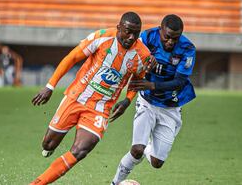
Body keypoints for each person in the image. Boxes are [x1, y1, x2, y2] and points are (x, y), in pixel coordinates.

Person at [30, 12, 154, 185]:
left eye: (136, 33)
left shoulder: (143, 55)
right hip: (76, 97)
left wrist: (127, 100)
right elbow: (72, 57)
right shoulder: (102, 37)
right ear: (119, 27)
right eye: (128, 32)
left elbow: (138, 79)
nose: (131, 37)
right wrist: (50, 86)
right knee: (48, 144)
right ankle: (49, 147)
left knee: (81, 150)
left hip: (101, 108)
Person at [110, 14, 197, 185]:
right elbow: (133, 62)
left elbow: (180, 81)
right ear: (160, 30)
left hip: (170, 107)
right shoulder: (147, 37)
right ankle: (115, 183)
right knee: (136, 150)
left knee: (157, 163)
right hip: (147, 102)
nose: (171, 42)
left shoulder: (187, 49)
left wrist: (152, 85)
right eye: (167, 37)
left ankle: (148, 148)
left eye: (175, 38)